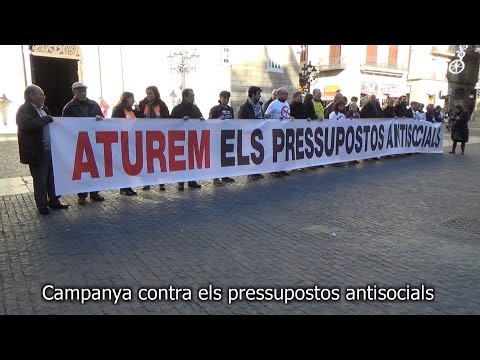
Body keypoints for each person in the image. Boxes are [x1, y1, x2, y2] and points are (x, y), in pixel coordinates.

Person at [16, 85, 69, 215]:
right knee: (40, 179)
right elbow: (27, 125)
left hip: (50, 150)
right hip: (36, 151)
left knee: (52, 177)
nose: (44, 98)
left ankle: (54, 201)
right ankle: (42, 205)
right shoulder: (24, 110)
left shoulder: (44, 109)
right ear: (31, 96)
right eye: (41, 95)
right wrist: (47, 119)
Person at [62, 81, 106, 205]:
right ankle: (81, 195)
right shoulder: (69, 107)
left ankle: (94, 192)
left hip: (93, 141)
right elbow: (64, 126)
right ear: (74, 92)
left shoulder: (94, 104)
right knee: (81, 170)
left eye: (84, 91)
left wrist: (100, 118)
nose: (82, 93)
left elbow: (102, 119)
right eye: (79, 91)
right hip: (78, 142)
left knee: (94, 168)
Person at [137, 85, 170, 191]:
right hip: (145, 135)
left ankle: (161, 182)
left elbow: (167, 117)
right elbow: (138, 117)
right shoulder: (142, 104)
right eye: (147, 93)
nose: (148, 95)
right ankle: (147, 182)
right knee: (147, 160)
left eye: (150, 93)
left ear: (155, 93)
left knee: (159, 159)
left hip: (159, 135)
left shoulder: (161, 104)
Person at [170, 88, 203, 190]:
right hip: (180, 140)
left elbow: (201, 118)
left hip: (193, 139)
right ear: (185, 96)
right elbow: (170, 123)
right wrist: (181, 121)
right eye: (191, 96)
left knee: (192, 161)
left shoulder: (195, 108)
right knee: (181, 161)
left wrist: (201, 119)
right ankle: (181, 182)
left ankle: (191, 180)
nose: (193, 98)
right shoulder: (177, 109)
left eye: (193, 96)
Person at [111, 91, 143, 195]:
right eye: (131, 98)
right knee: (123, 165)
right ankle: (123, 187)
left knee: (128, 166)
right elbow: (115, 124)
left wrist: (138, 111)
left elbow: (140, 123)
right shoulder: (118, 110)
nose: (133, 100)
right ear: (126, 99)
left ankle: (127, 186)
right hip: (122, 141)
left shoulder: (132, 111)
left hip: (132, 141)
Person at [208, 90, 235, 186]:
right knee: (217, 158)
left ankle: (225, 176)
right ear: (220, 98)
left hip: (227, 136)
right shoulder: (214, 109)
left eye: (227, 98)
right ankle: (216, 178)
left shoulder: (230, 109)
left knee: (226, 157)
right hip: (217, 136)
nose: (226, 100)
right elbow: (209, 122)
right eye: (224, 98)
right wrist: (218, 120)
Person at [238, 86, 264, 180]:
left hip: (258, 134)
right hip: (248, 134)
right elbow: (240, 121)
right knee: (250, 153)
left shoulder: (260, 106)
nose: (260, 96)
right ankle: (250, 173)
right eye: (258, 94)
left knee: (257, 153)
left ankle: (256, 171)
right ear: (252, 94)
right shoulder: (244, 107)